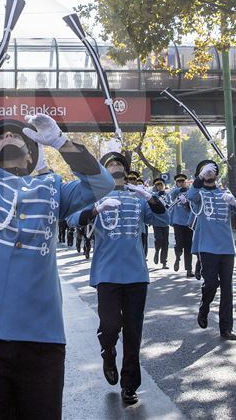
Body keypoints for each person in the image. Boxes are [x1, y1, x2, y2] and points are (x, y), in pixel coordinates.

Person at [0, 17, 113, 419]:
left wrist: (64, 143)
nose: (7, 137)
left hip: (42, 343)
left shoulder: (52, 188)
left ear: (33, 150)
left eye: (16, 134)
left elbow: (101, 186)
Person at [67, 152, 168, 405]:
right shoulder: (95, 195)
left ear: (125, 170)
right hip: (107, 273)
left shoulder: (138, 198)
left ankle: (130, 385)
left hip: (136, 274)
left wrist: (150, 197)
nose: (115, 167)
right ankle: (108, 350)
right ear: (104, 170)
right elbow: (70, 219)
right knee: (110, 326)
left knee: (134, 333)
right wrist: (95, 209)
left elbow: (162, 218)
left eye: (119, 164)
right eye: (110, 164)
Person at [187, 160, 236, 341]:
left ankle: (226, 328)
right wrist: (199, 177)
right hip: (207, 247)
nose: (208, 173)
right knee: (211, 284)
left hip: (226, 248)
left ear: (217, 174)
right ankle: (204, 306)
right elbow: (191, 197)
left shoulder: (224, 193)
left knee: (227, 289)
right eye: (205, 170)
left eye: (212, 170)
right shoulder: (198, 194)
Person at [169, 174, 193, 277]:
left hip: (188, 222)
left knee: (188, 246)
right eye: (179, 182)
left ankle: (189, 269)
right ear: (176, 183)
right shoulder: (175, 192)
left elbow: (193, 204)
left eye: (182, 181)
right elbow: (171, 195)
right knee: (179, 243)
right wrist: (179, 190)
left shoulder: (190, 192)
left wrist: (186, 201)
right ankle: (178, 256)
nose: (181, 183)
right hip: (178, 222)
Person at [151, 177, 170, 268]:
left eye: (161, 184)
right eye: (157, 185)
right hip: (157, 220)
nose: (159, 186)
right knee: (159, 238)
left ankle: (164, 262)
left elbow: (171, 205)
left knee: (165, 242)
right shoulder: (154, 195)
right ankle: (157, 250)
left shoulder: (168, 195)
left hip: (165, 221)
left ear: (164, 185)